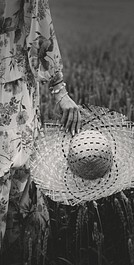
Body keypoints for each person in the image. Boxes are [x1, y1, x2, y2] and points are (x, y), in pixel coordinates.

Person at [0, 0, 81, 248]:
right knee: (14, 181)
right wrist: (58, 90)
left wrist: (59, 90)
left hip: (11, 86)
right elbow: (40, 27)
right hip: (12, 85)